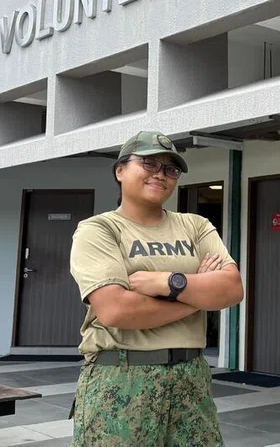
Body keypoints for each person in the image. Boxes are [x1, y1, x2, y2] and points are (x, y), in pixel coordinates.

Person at [68, 130, 244, 446]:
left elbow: (231, 289)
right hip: (121, 378)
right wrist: (197, 296)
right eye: (149, 164)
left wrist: (168, 283)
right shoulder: (99, 230)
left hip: (191, 375)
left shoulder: (196, 226)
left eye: (170, 170)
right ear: (120, 170)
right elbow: (116, 309)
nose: (160, 175)